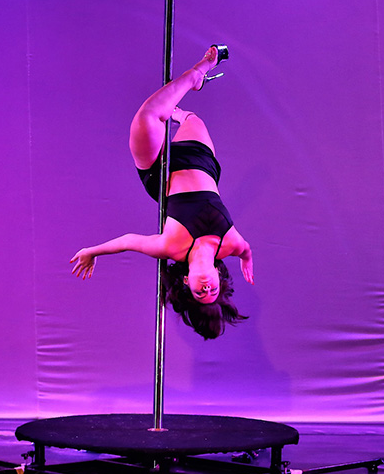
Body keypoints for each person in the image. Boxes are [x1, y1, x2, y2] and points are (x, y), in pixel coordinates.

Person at [70, 46, 254, 339]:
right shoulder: (231, 244)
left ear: (187, 281)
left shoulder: (172, 247)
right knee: (192, 119)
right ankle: (183, 105)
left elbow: (128, 241)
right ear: (219, 277)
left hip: (160, 172)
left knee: (147, 117)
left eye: (200, 292)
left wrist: (91, 252)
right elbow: (246, 250)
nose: (207, 288)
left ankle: (198, 72)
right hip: (200, 161)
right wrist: (246, 260)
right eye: (212, 291)